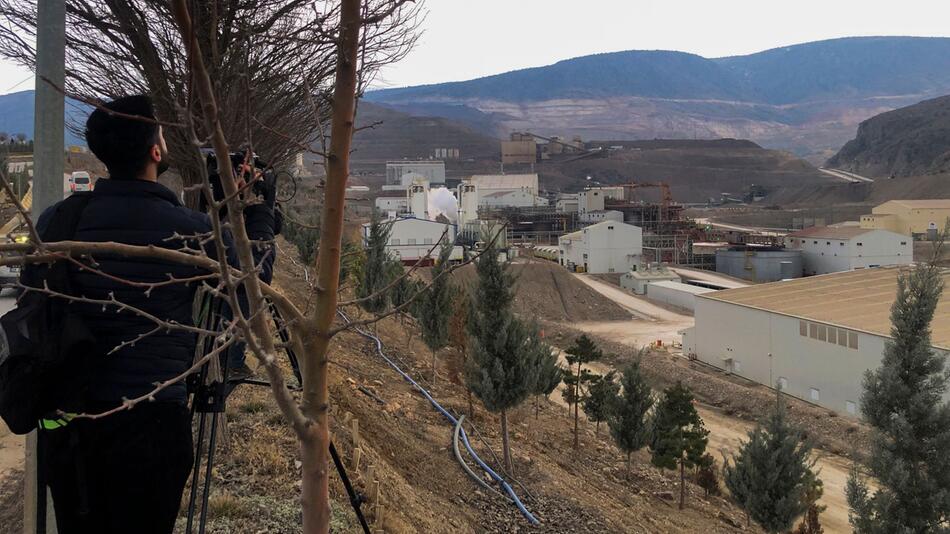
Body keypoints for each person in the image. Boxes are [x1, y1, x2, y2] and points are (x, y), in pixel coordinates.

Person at [30, 95, 276, 533]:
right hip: (152, 421)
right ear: (156, 151)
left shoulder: (57, 221)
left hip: (71, 425)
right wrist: (255, 217)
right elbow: (253, 290)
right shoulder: (189, 229)